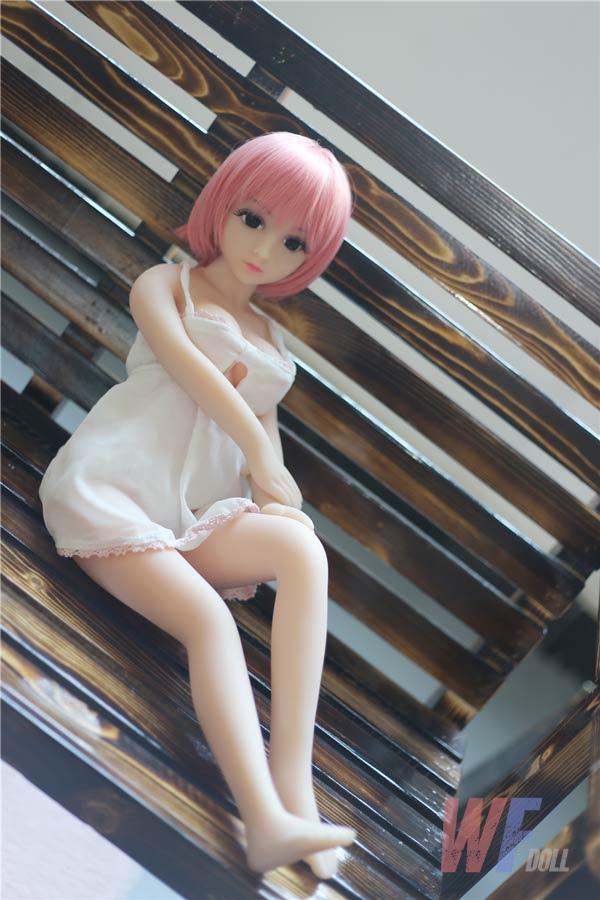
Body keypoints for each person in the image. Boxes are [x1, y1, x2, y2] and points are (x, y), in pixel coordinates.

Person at [39, 132, 356, 876]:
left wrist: (277, 496)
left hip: (190, 519)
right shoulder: (167, 285)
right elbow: (191, 371)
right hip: (114, 497)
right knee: (210, 622)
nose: (265, 249)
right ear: (223, 206)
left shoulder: (272, 342)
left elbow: (265, 447)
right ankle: (264, 822)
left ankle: (295, 792)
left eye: (293, 241)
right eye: (253, 219)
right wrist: (258, 453)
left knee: (303, 552)